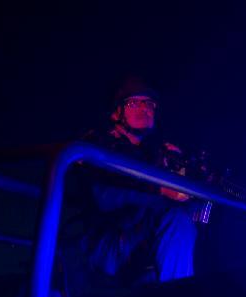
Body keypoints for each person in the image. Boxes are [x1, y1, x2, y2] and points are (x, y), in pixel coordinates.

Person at [80, 76, 199, 284]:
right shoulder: (100, 142)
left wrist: (177, 166)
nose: (145, 108)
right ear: (117, 111)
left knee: (192, 214)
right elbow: (105, 193)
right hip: (106, 243)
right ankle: (179, 295)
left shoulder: (150, 155)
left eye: (150, 103)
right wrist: (160, 190)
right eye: (135, 102)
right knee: (177, 217)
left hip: (136, 239)